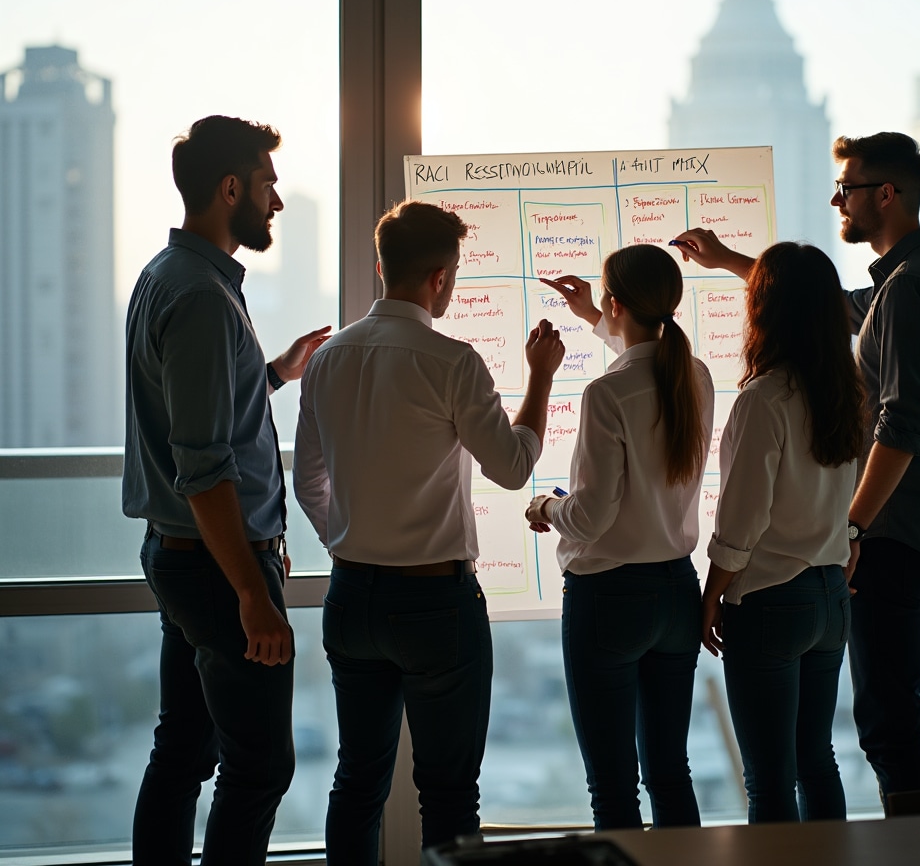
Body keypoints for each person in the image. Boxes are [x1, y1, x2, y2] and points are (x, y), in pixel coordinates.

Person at [675, 131, 920, 807]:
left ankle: (918, 853)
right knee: (848, 740)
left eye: (847, 189)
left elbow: (902, 426)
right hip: (901, 536)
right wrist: (727, 258)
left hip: (892, 536)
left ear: (887, 195)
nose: (837, 200)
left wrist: (850, 529)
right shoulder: (919, 275)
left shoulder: (908, 290)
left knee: (887, 726)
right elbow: (820, 305)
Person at [292, 199, 565, 864]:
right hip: (437, 606)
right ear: (441, 277)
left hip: (351, 596)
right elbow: (512, 466)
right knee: (446, 793)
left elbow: (306, 481)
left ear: (382, 265)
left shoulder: (327, 360)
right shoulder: (452, 361)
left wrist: (354, 541)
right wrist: (541, 378)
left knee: (356, 781)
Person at [123, 115, 331, 866]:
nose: (276, 203)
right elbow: (203, 466)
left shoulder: (168, 276)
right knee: (260, 767)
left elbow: (201, 413)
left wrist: (274, 373)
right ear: (231, 188)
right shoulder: (205, 298)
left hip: (187, 554)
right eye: (269, 185)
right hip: (220, 564)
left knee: (182, 752)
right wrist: (252, 594)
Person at [527, 244, 714, 831]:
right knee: (669, 772)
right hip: (678, 594)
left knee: (612, 786)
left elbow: (589, 518)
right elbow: (642, 363)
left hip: (609, 599)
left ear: (616, 302)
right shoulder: (696, 375)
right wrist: (593, 315)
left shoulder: (606, 394)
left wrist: (545, 507)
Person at [701, 242, 864, 823]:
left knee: (769, 781)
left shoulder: (764, 398)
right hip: (828, 596)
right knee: (816, 760)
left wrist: (711, 595)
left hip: (771, 599)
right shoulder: (844, 394)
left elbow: (741, 522)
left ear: (764, 309)